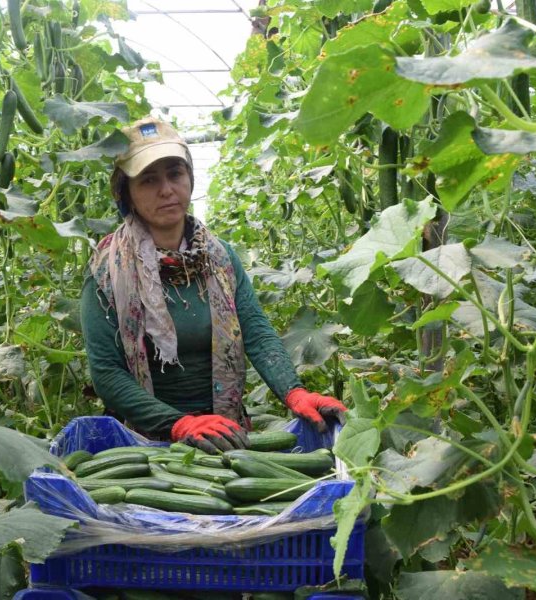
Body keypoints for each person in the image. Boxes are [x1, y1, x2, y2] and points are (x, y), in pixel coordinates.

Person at [80, 117, 346, 453]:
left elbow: (257, 333)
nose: (166, 189)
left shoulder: (220, 258)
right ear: (127, 193)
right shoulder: (105, 271)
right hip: (146, 444)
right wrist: (179, 424)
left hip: (225, 433)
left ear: (190, 178)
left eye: (175, 174)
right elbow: (107, 373)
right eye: (148, 180)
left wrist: (295, 391)